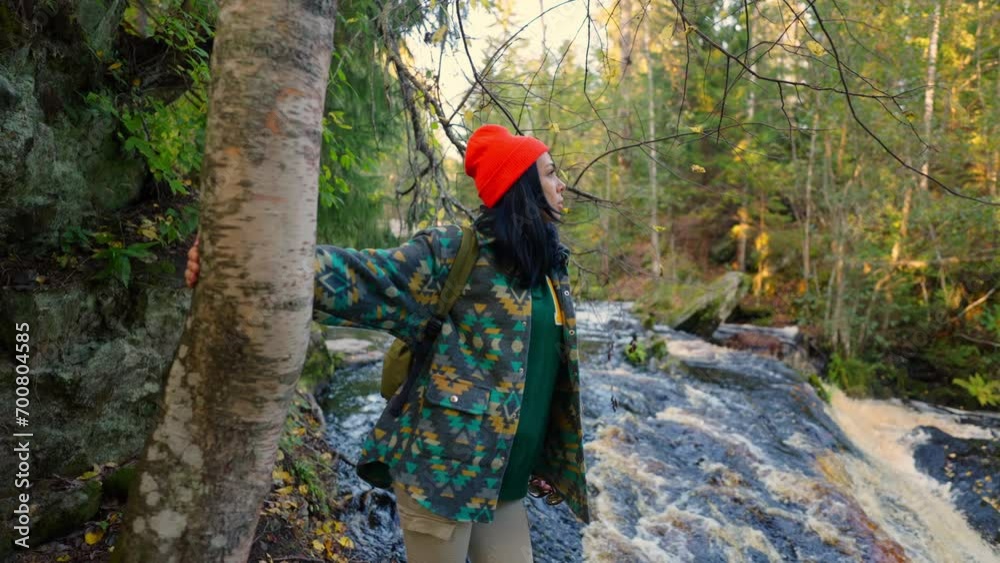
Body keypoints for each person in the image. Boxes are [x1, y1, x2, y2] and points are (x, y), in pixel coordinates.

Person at [185, 124, 590, 562]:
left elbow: (547, 374)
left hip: (505, 481)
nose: (561, 183)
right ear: (521, 187)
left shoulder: (548, 270)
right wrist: (241, 257)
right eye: (550, 173)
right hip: (442, 475)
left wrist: (546, 456)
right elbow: (357, 275)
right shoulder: (456, 254)